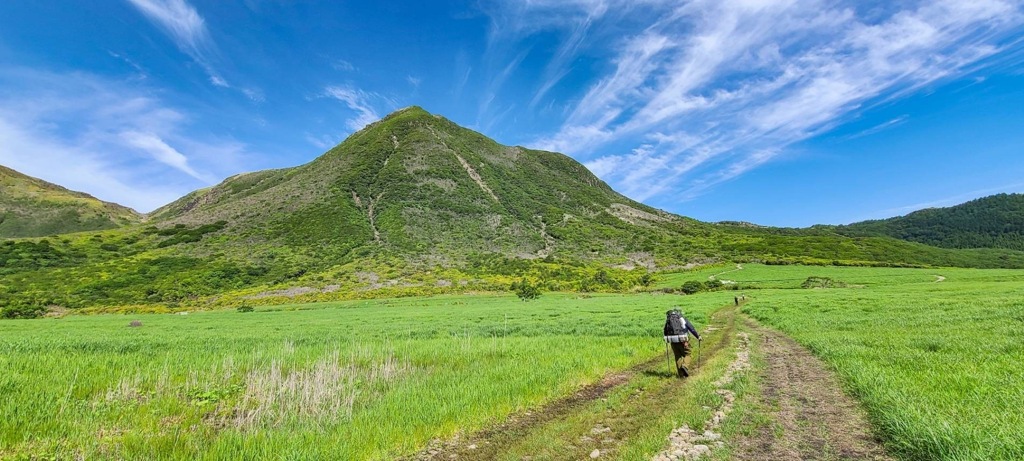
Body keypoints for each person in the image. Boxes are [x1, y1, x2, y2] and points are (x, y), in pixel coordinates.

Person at [664, 308, 702, 377]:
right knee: (688, 354)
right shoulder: (683, 319)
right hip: (683, 341)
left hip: (673, 341)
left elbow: (665, 332)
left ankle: (681, 375)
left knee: (677, 356)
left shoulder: (668, 320)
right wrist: (698, 336)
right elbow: (691, 329)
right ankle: (684, 365)